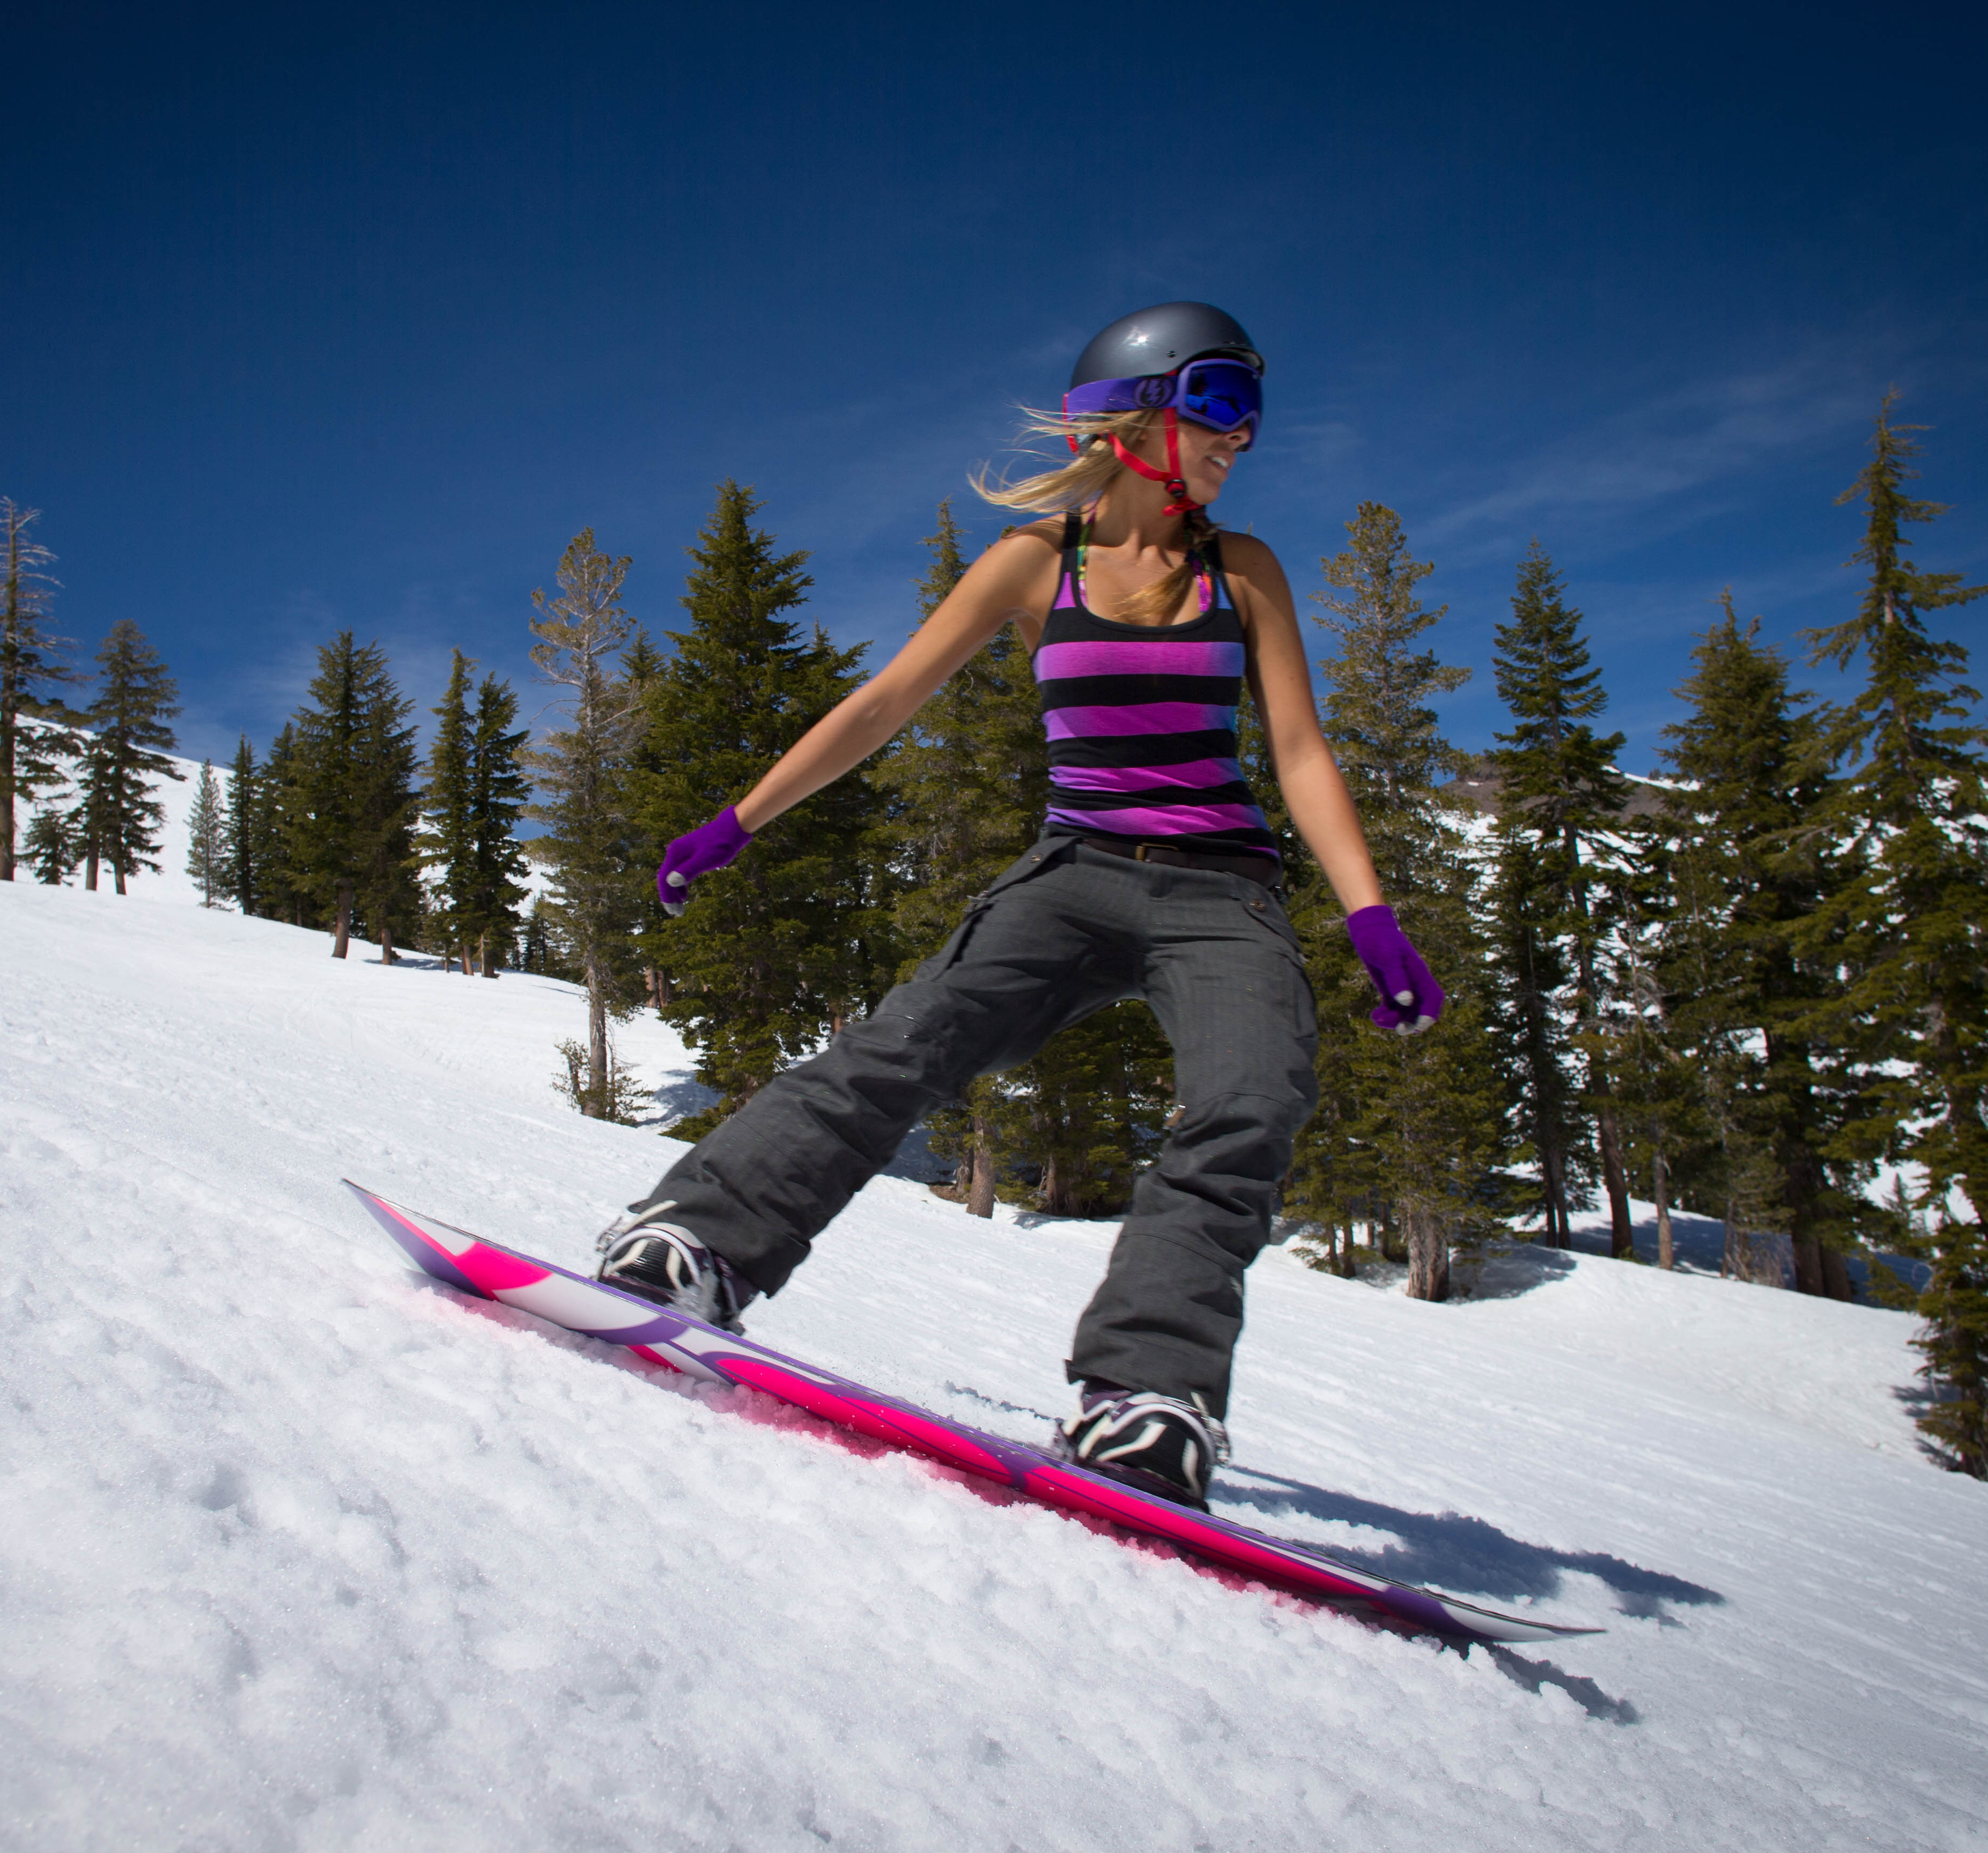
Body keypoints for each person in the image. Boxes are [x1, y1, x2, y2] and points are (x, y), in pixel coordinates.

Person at [595, 302, 1444, 1511]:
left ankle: (1145, 1401)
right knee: (913, 1039)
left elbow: (1300, 752)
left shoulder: (1241, 572)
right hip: (1073, 874)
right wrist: (739, 820)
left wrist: (1371, 918)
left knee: (1251, 1099)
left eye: (1253, 413)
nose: (1242, 437)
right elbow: (887, 703)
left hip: (1222, 890)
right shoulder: (1037, 563)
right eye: (1218, 404)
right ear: (1134, 413)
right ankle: (700, 1242)